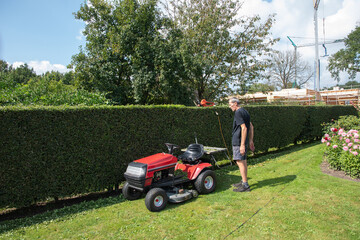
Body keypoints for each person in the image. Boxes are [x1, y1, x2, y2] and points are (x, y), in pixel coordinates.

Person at [228, 97, 255, 192]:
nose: (229, 106)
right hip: (242, 141)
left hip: (238, 141)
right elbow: (251, 126)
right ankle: (243, 181)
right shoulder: (245, 111)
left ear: (235, 103)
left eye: (230, 104)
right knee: (243, 161)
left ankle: (245, 185)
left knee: (239, 161)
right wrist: (251, 140)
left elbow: (244, 128)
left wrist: (242, 145)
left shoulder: (238, 112)